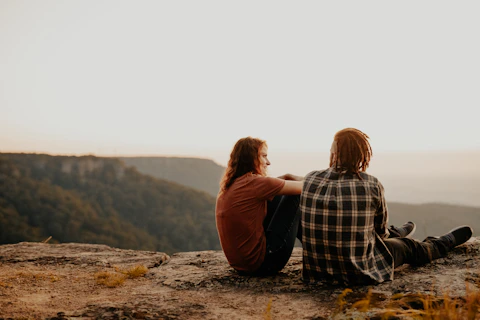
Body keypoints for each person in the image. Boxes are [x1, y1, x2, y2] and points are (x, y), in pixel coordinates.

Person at [300, 128, 473, 285]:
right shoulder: (371, 184)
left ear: (333, 154)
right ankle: (442, 244)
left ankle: (396, 232)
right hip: (358, 272)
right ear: (362, 156)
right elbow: (380, 232)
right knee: (408, 246)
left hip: (317, 274)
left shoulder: (310, 179)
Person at [215, 136, 304, 276]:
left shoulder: (233, 184)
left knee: (277, 196)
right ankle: (318, 252)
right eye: (264, 156)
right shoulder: (256, 184)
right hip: (264, 263)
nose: (268, 162)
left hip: (241, 265)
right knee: (294, 198)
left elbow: (273, 185)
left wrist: (286, 176)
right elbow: (305, 187)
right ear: (251, 158)